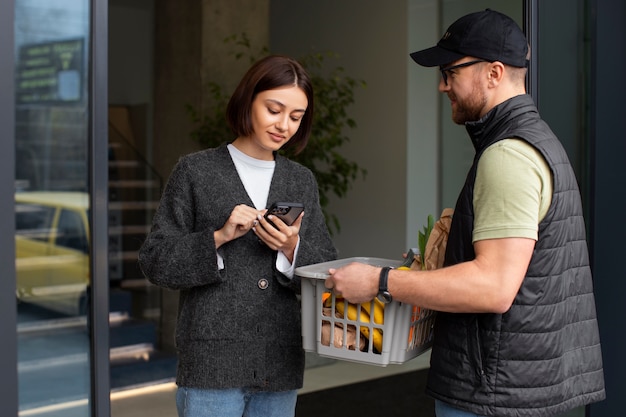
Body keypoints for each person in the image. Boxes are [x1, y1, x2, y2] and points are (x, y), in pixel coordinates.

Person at [325, 9, 605, 417]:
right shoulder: (537, 141)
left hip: (492, 395)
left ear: (493, 73)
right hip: (516, 388)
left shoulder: (508, 154)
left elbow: (492, 287)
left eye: (450, 71)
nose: (442, 86)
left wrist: (380, 281)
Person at [138, 55, 337, 417]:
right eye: (274, 109)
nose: (284, 125)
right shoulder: (196, 171)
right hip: (211, 365)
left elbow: (325, 267)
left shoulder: (301, 179)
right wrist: (217, 237)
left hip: (279, 363)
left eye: (296, 117)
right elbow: (156, 260)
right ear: (248, 100)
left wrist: (291, 247)